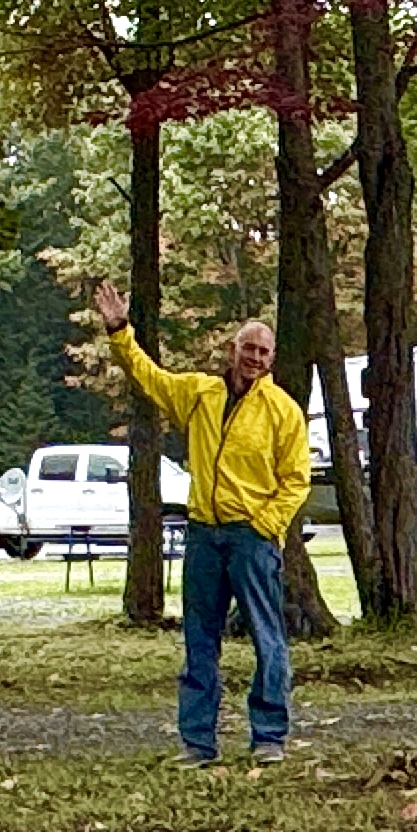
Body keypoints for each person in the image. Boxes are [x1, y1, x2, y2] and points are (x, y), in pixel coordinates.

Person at [88, 276, 310, 762]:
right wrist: (120, 330)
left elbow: (297, 479)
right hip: (204, 537)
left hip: (252, 539)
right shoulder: (200, 394)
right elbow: (149, 377)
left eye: (265, 353)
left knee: (267, 639)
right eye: (249, 349)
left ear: (272, 360)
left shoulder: (283, 411)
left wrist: (266, 524)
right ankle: (198, 743)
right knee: (199, 642)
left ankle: (269, 737)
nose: (255, 358)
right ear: (234, 350)